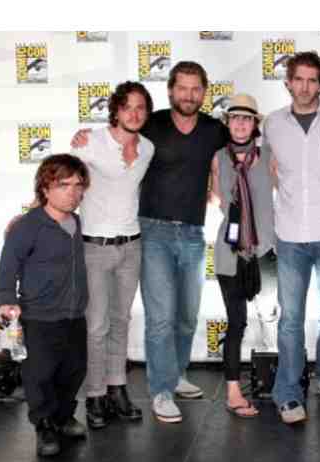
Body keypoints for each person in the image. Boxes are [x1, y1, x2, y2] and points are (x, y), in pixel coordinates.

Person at [73, 61, 228, 423]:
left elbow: (239, 146)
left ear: (204, 92)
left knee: (187, 317)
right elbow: (116, 135)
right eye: (182, 88)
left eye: (196, 88)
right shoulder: (151, 124)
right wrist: (85, 137)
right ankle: (161, 390)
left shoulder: (214, 130)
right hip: (153, 232)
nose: (188, 95)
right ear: (171, 90)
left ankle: (177, 374)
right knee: (160, 318)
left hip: (193, 233)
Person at [265, 52, 320, 424]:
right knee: (291, 319)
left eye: (312, 80)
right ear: (288, 82)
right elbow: (265, 170)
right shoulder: (272, 124)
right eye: (298, 79)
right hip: (289, 234)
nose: (304, 87)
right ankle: (287, 392)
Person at [71, 81, 154, 429]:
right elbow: (65, 180)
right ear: (116, 110)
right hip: (95, 247)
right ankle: (94, 395)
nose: (134, 114)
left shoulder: (147, 148)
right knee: (96, 326)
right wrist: (34, 212)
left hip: (131, 246)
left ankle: (117, 388)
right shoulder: (90, 141)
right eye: (127, 107)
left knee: (121, 321)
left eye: (140, 108)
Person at [0, 154, 90, 457]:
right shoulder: (27, 226)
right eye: (64, 185)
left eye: (78, 185)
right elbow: (8, 266)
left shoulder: (77, 221)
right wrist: (7, 300)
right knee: (40, 376)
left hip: (74, 315)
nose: (73, 192)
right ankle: (44, 424)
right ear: (46, 188)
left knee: (74, 371)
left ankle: (62, 417)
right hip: (39, 317)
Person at [210, 94, 274, 418]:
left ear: (254, 124)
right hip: (230, 251)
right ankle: (233, 391)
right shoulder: (217, 158)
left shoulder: (269, 155)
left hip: (265, 251)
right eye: (235, 117)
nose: (240, 123)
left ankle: (282, 385)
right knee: (236, 322)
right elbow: (213, 197)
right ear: (227, 122)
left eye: (247, 118)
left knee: (275, 321)